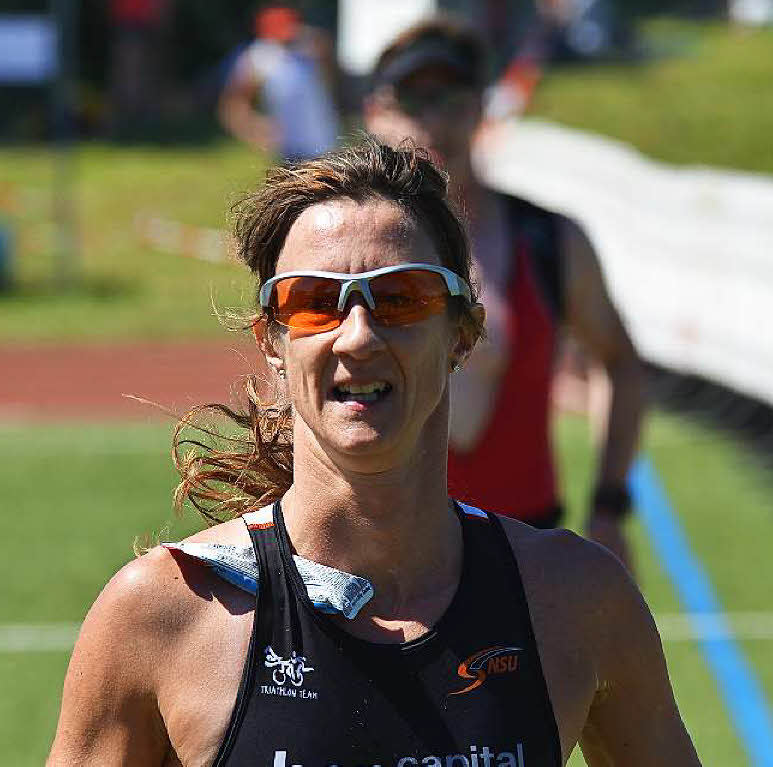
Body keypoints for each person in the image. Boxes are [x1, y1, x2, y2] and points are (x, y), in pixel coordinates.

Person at [46, 139, 700, 766]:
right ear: (271, 340)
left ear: (462, 333)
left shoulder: (576, 601)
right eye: (312, 303)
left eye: (400, 297)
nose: (357, 335)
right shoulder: (163, 615)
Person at [363, 18, 647, 566]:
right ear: (376, 112)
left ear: (481, 109)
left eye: (451, 98)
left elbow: (619, 361)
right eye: (412, 101)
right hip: (385, 556)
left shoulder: (549, 240)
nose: (432, 122)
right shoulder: (345, 252)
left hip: (524, 550)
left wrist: (609, 506)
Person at [218, 4, 339, 162]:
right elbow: (232, 107)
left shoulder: (310, 47)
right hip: (291, 152)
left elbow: (330, 65)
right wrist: (253, 130)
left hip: (327, 146)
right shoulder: (259, 57)